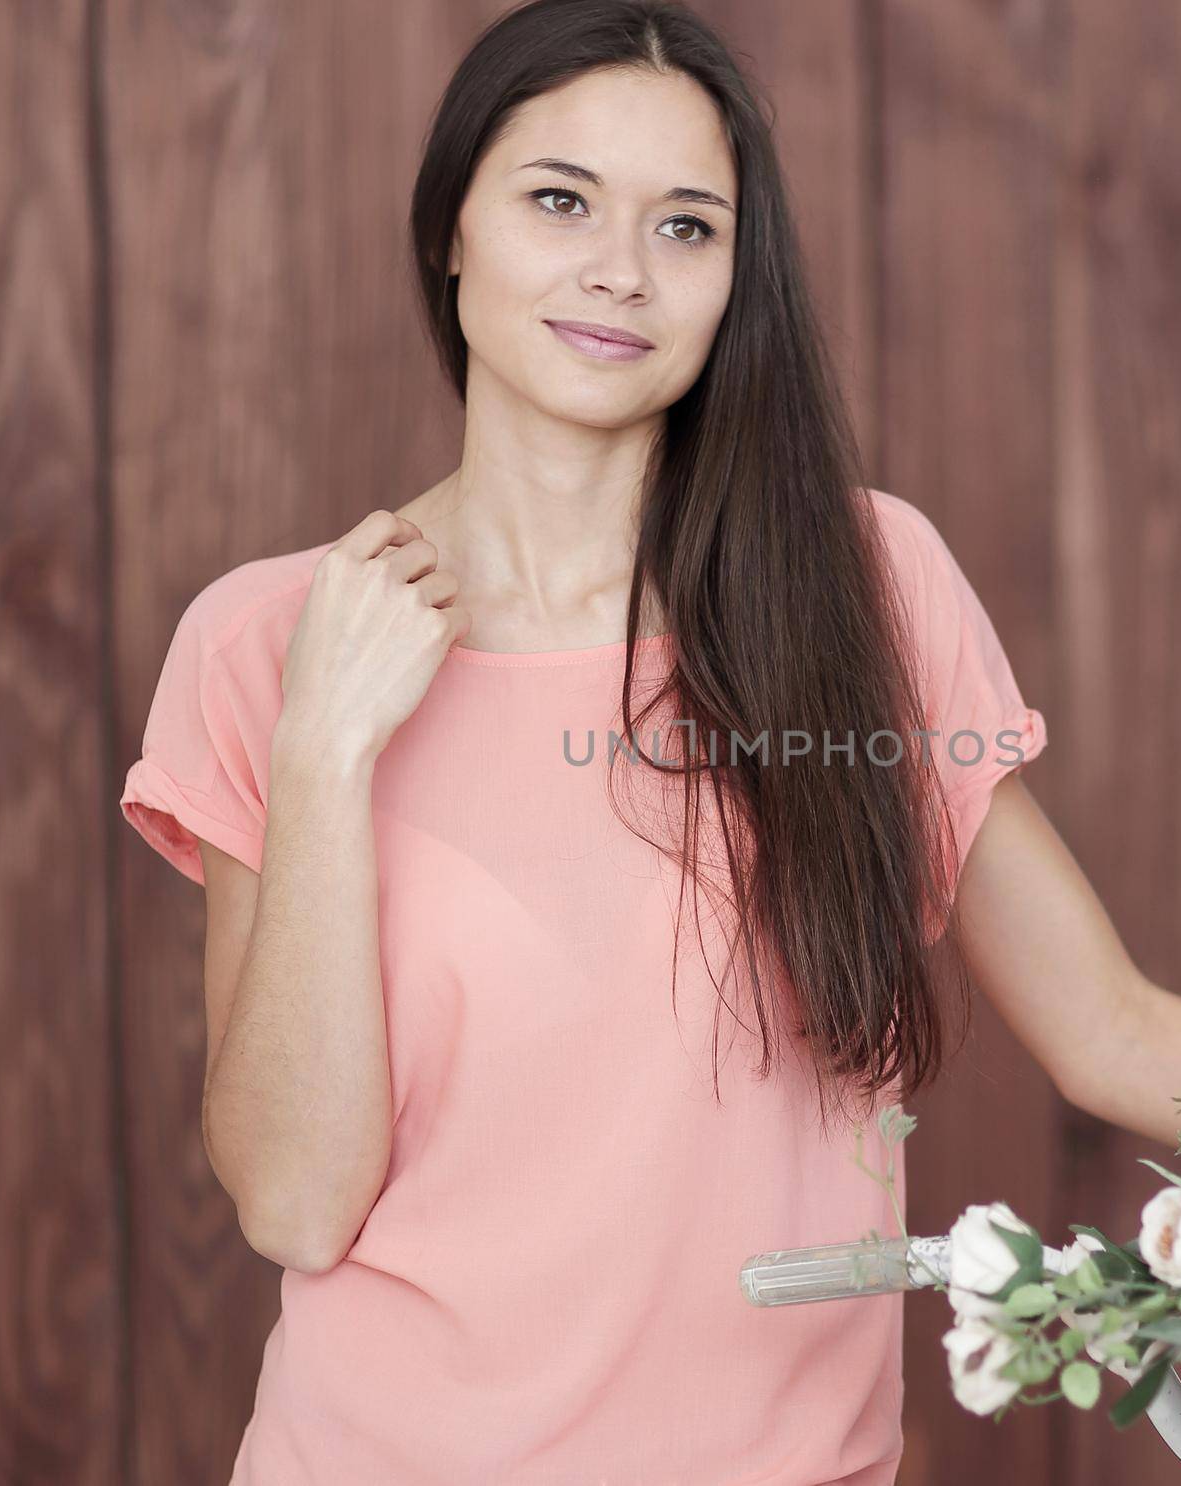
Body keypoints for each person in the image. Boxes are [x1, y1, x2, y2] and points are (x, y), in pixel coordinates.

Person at [119, 3, 1049, 1480]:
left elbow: (1114, 1026)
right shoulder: (266, 636)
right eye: (560, 200)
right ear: (453, 231)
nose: (620, 268)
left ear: (738, 275)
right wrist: (322, 751)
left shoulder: (863, 592)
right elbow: (294, 1204)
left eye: (687, 227)